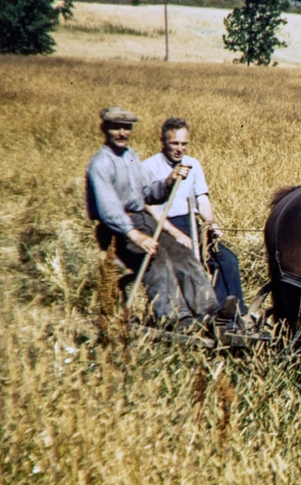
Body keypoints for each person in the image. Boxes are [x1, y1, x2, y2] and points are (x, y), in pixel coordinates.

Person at [85, 106, 219, 323]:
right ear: (105, 129)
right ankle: (175, 318)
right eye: (116, 128)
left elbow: (147, 193)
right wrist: (135, 235)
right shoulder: (100, 163)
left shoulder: (130, 156)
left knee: (183, 255)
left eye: (126, 128)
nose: (122, 133)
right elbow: (108, 209)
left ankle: (210, 310)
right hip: (117, 231)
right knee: (158, 262)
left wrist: (168, 181)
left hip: (143, 221)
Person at [142, 117, 246, 319]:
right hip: (164, 228)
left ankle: (232, 317)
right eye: (174, 144)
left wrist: (211, 224)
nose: (180, 149)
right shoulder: (148, 167)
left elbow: (202, 199)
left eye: (184, 144)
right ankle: (205, 313)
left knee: (228, 260)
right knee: (190, 264)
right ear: (163, 141)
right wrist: (175, 233)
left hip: (192, 224)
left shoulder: (193, 164)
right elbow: (149, 207)